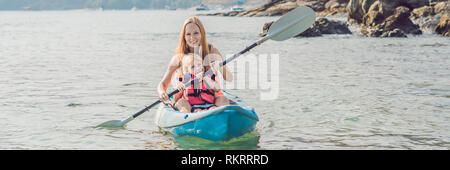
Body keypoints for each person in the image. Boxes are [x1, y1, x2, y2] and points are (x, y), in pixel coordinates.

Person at [157, 16, 233, 108]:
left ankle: (219, 116)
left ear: (202, 33)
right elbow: (163, 84)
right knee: (182, 103)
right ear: (184, 37)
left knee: (223, 100)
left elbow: (229, 78)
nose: (192, 37)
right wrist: (162, 92)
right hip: (186, 99)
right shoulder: (179, 57)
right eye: (188, 34)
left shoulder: (211, 51)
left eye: (196, 33)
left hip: (212, 97)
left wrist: (220, 66)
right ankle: (189, 116)